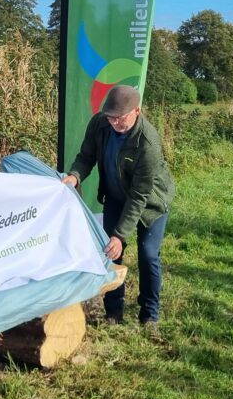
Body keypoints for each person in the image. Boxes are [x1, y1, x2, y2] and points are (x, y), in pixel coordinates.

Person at [61, 84, 175, 330]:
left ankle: (149, 315)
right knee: (111, 252)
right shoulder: (100, 124)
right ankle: (113, 311)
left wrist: (120, 235)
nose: (114, 123)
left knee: (148, 255)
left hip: (150, 203)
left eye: (119, 118)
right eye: (110, 117)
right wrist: (75, 176)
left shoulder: (148, 142)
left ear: (137, 111)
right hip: (115, 196)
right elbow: (86, 156)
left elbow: (139, 194)